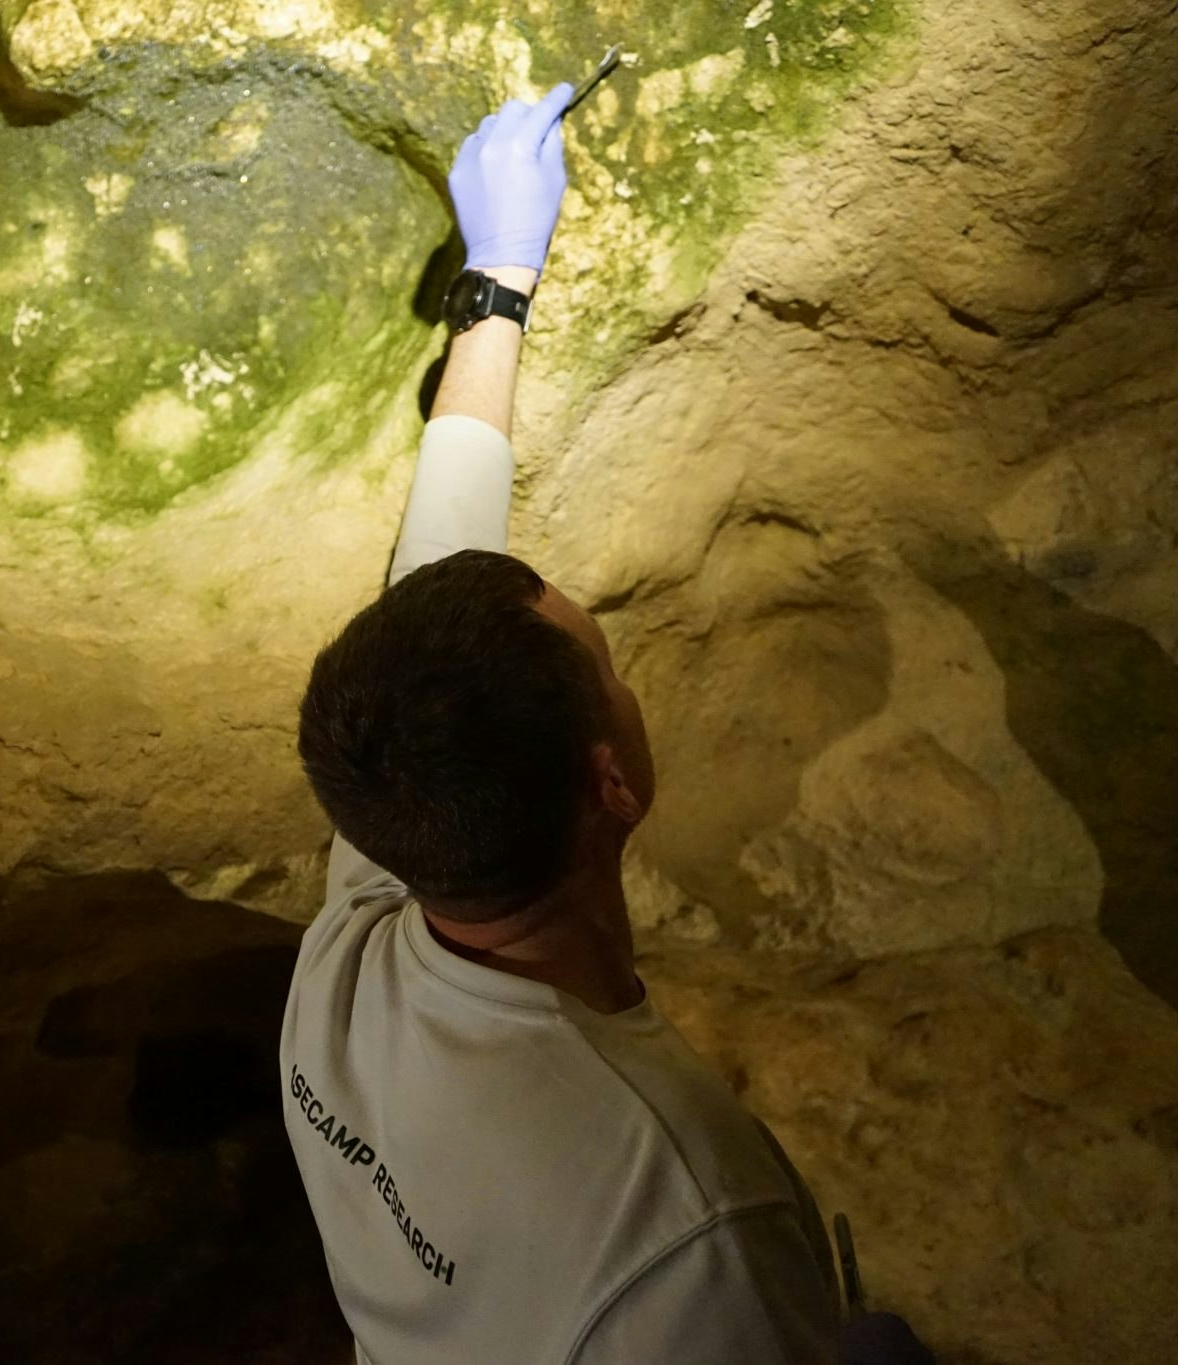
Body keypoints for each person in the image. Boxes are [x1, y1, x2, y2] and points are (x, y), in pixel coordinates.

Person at [279, 84, 934, 1364]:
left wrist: (499, 280)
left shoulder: (353, 954)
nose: (628, 680)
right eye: (611, 667)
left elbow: (432, 577)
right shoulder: (691, 1224)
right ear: (611, 782)